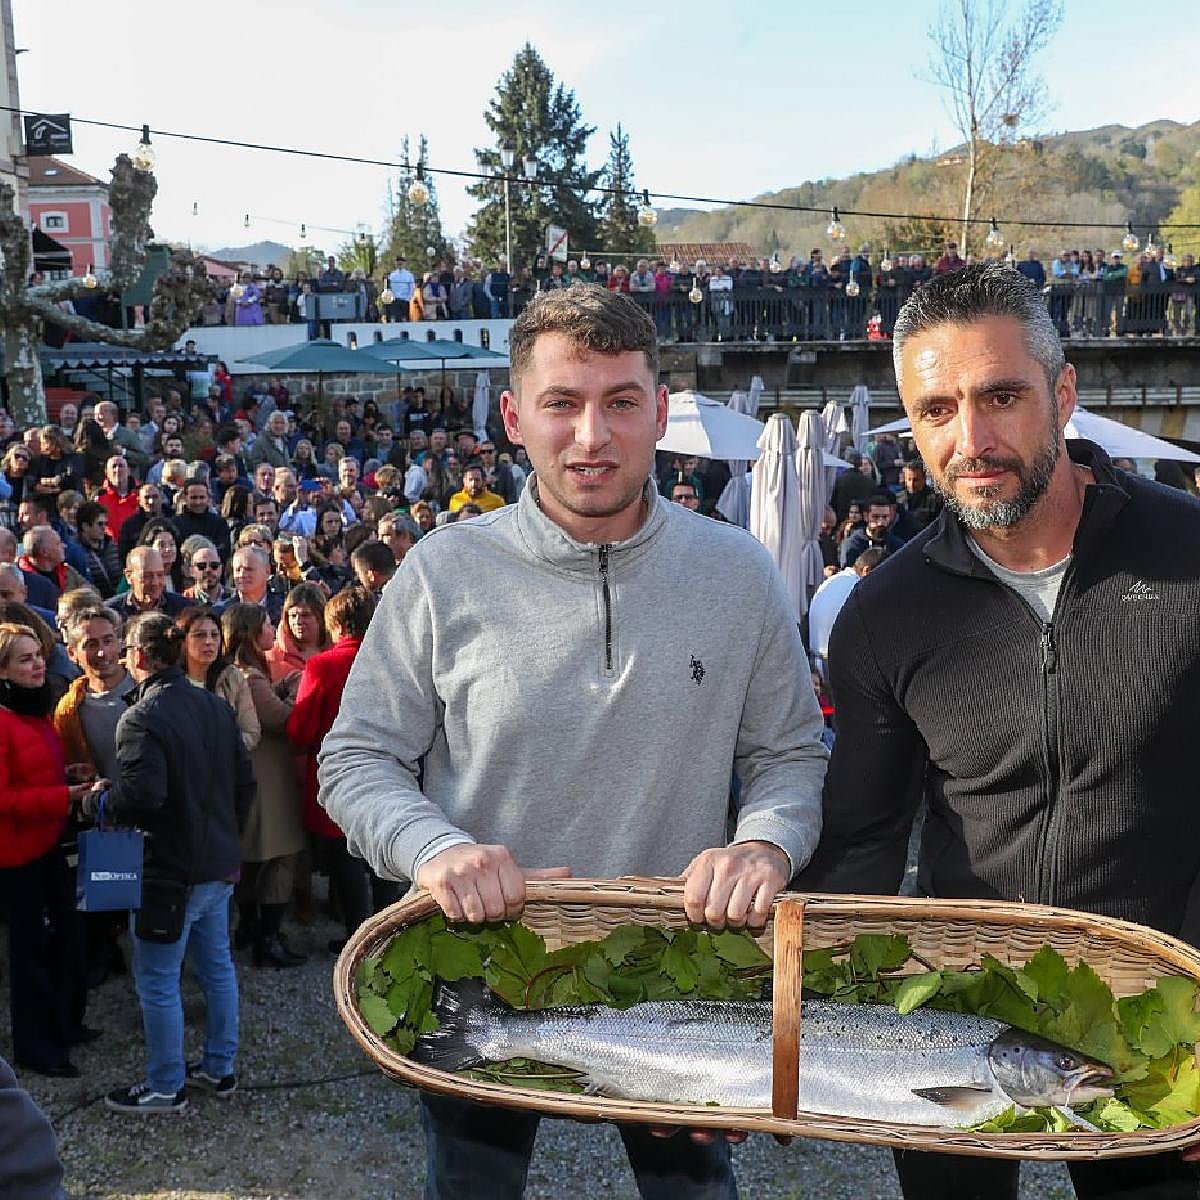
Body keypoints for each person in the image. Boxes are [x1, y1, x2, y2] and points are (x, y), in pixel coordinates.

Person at [317, 283, 828, 1199]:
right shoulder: (442, 573)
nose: (591, 436)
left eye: (620, 403)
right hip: (481, 959)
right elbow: (356, 760)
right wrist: (436, 850)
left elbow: (790, 754)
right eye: (562, 403)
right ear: (515, 416)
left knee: (695, 1194)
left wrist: (765, 842)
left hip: (678, 962)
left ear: (659, 412)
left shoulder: (738, 573)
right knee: (471, 1188)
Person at [795, 261, 1200, 1200]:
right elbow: (860, 845)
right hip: (957, 1018)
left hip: (1163, 1009)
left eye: (1002, 397)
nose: (970, 439)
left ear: (1063, 397)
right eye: (937, 409)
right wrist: (773, 1040)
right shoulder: (882, 616)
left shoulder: (1189, 557)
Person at [98, 612, 254, 1113]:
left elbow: (143, 797)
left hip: (172, 870)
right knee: (216, 968)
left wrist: (97, 802)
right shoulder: (211, 706)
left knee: (159, 979)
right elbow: (243, 785)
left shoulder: (142, 717)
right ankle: (219, 1066)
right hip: (216, 861)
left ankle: (166, 1085)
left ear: (139, 656)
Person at [0, 622, 99, 1079]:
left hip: (47, 844)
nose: (38, 664)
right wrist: (65, 797)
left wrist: (68, 776)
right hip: (16, 859)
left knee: (68, 938)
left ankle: (64, 1024)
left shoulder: (34, 710)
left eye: (38, 655)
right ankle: (35, 1046)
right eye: (24, 659)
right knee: (31, 953)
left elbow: (35, 773)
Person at [287, 586, 398, 954]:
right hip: (389, 773)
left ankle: (358, 940)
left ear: (333, 624)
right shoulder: (393, 661)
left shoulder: (322, 665)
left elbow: (300, 730)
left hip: (338, 778)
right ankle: (391, 935)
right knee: (382, 863)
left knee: (347, 864)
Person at [220, 604, 306, 969]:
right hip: (267, 778)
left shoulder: (241, 674)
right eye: (268, 623)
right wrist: (299, 690)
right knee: (280, 855)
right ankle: (267, 938)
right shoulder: (248, 678)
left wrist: (282, 686)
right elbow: (282, 719)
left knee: (255, 858)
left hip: (256, 775)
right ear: (253, 634)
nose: (274, 628)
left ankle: (251, 928)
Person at [176, 606, 260, 753]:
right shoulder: (171, 682)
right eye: (199, 635)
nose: (209, 642)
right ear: (183, 641)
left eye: (214, 635)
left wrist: (220, 746)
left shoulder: (232, 677)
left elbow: (251, 733)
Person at [109, 547, 194, 622]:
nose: (155, 582)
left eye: (160, 574)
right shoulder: (111, 612)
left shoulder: (183, 608)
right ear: (129, 576)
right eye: (147, 576)